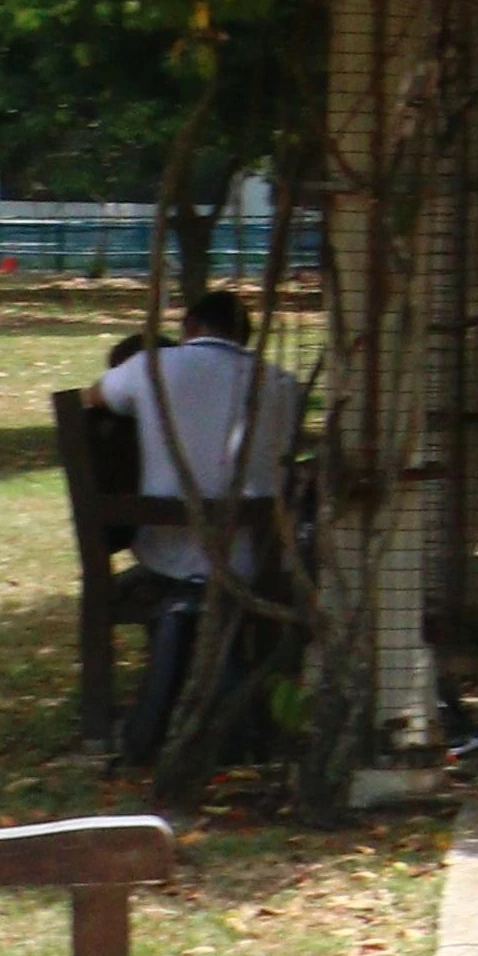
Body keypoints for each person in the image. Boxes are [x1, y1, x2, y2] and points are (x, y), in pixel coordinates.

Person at [97, 290, 302, 758]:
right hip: (257, 560)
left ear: (189, 325)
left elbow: (93, 396)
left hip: (167, 554)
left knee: (170, 587)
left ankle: (163, 702)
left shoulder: (151, 367)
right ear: (246, 335)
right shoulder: (282, 384)